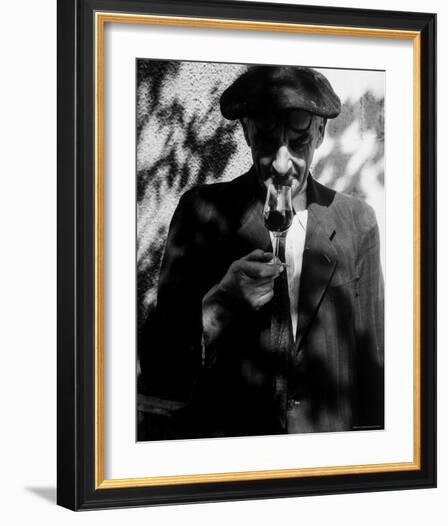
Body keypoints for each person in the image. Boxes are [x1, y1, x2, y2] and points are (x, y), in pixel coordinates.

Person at [139, 65, 384, 440]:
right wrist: (219, 304)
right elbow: (161, 367)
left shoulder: (357, 221)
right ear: (246, 132)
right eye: (268, 141)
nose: (282, 164)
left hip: (326, 451)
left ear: (320, 132)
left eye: (299, 141)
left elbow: (371, 364)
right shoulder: (200, 213)